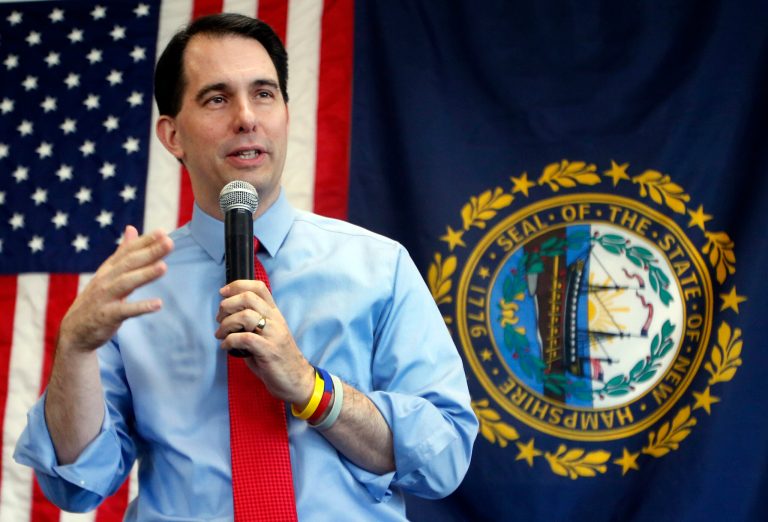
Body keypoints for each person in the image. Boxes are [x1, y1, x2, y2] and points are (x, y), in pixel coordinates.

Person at [14, 13, 478, 521]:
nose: (246, 118)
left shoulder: (378, 266)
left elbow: (443, 459)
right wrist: (75, 350)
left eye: (264, 94)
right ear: (172, 136)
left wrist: (311, 388)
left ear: (284, 112)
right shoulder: (133, 288)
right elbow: (75, 487)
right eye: (217, 98)